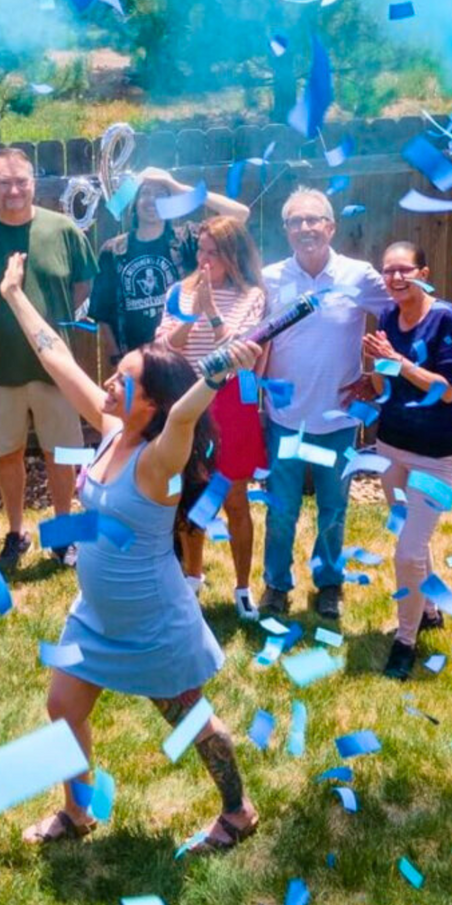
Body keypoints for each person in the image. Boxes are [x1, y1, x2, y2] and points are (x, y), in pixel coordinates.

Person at [0, 249, 263, 852]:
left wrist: (213, 376)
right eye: (116, 373)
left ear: (153, 403)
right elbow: (55, 355)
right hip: (95, 614)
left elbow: (185, 416)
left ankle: (237, 811)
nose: (111, 383)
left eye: (126, 379)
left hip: (151, 622)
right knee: (63, 707)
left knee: (191, 722)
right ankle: (77, 812)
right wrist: (14, 295)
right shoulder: (113, 428)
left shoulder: (159, 459)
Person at [0, 148, 97, 574]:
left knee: (63, 454)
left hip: (56, 372)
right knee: (7, 454)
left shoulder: (63, 230)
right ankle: (16, 533)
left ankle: (63, 535)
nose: (13, 190)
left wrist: (50, 329)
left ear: (34, 184)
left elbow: (83, 284)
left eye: (21, 182)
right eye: (4, 183)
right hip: (0, 370)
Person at [258, 188, 390, 622]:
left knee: (333, 509)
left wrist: (376, 378)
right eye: (295, 221)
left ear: (331, 227)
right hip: (285, 419)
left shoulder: (359, 275)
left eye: (313, 219)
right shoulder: (270, 278)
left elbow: (401, 319)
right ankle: (276, 585)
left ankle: (329, 582)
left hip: (338, 420)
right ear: (286, 230)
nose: (305, 228)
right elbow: (254, 339)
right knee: (282, 511)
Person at [361, 241, 452, 681]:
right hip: (392, 445)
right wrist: (375, 365)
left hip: (438, 456)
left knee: (407, 550)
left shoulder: (447, 318)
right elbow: (383, 386)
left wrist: (397, 360)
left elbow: (447, 390)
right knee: (412, 537)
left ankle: (405, 641)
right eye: (387, 271)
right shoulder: (388, 317)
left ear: (423, 273)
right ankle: (428, 610)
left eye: (403, 269)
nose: (394, 278)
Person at [154, 216, 268, 618]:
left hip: (231, 403)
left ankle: (243, 587)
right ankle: (193, 578)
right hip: (186, 400)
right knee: (192, 495)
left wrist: (213, 312)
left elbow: (240, 352)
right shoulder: (178, 292)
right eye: (201, 250)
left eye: (214, 252)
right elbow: (163, 348)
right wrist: (192, 315)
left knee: (235, 499)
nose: (204, 259)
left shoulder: (252, 295)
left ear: (234, 255)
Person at [92, 167, 250, 367]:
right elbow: (103, 314)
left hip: (182, 360)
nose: (152, 200)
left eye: (161, 195)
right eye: (146, 193)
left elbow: (240, 214)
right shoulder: (113, 251)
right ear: (135, 202)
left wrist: (180, 189)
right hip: (137, 363)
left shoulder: (187, 240)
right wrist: (117, 359)